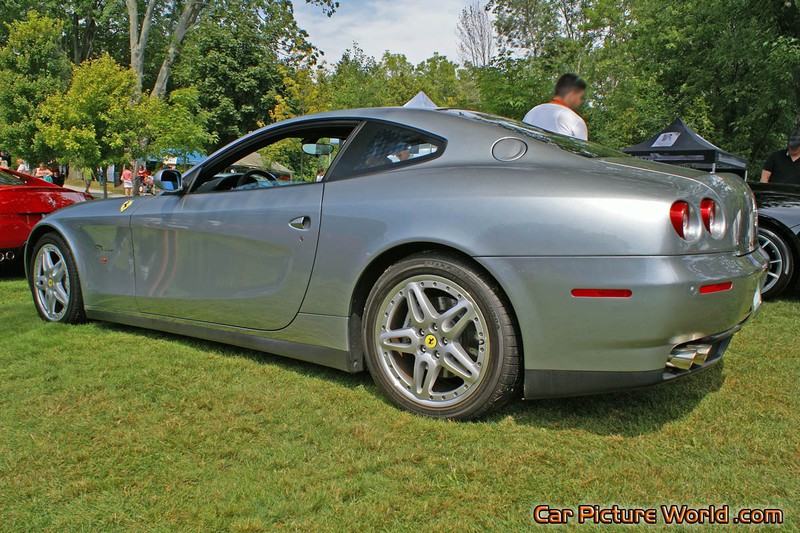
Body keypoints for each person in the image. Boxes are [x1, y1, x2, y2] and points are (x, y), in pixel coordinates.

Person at [523, 73, 588, 141]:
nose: (580, 102)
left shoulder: (532, 112)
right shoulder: (575, 121)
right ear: (571, 95)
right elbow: (579, 151)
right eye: (580, 97)